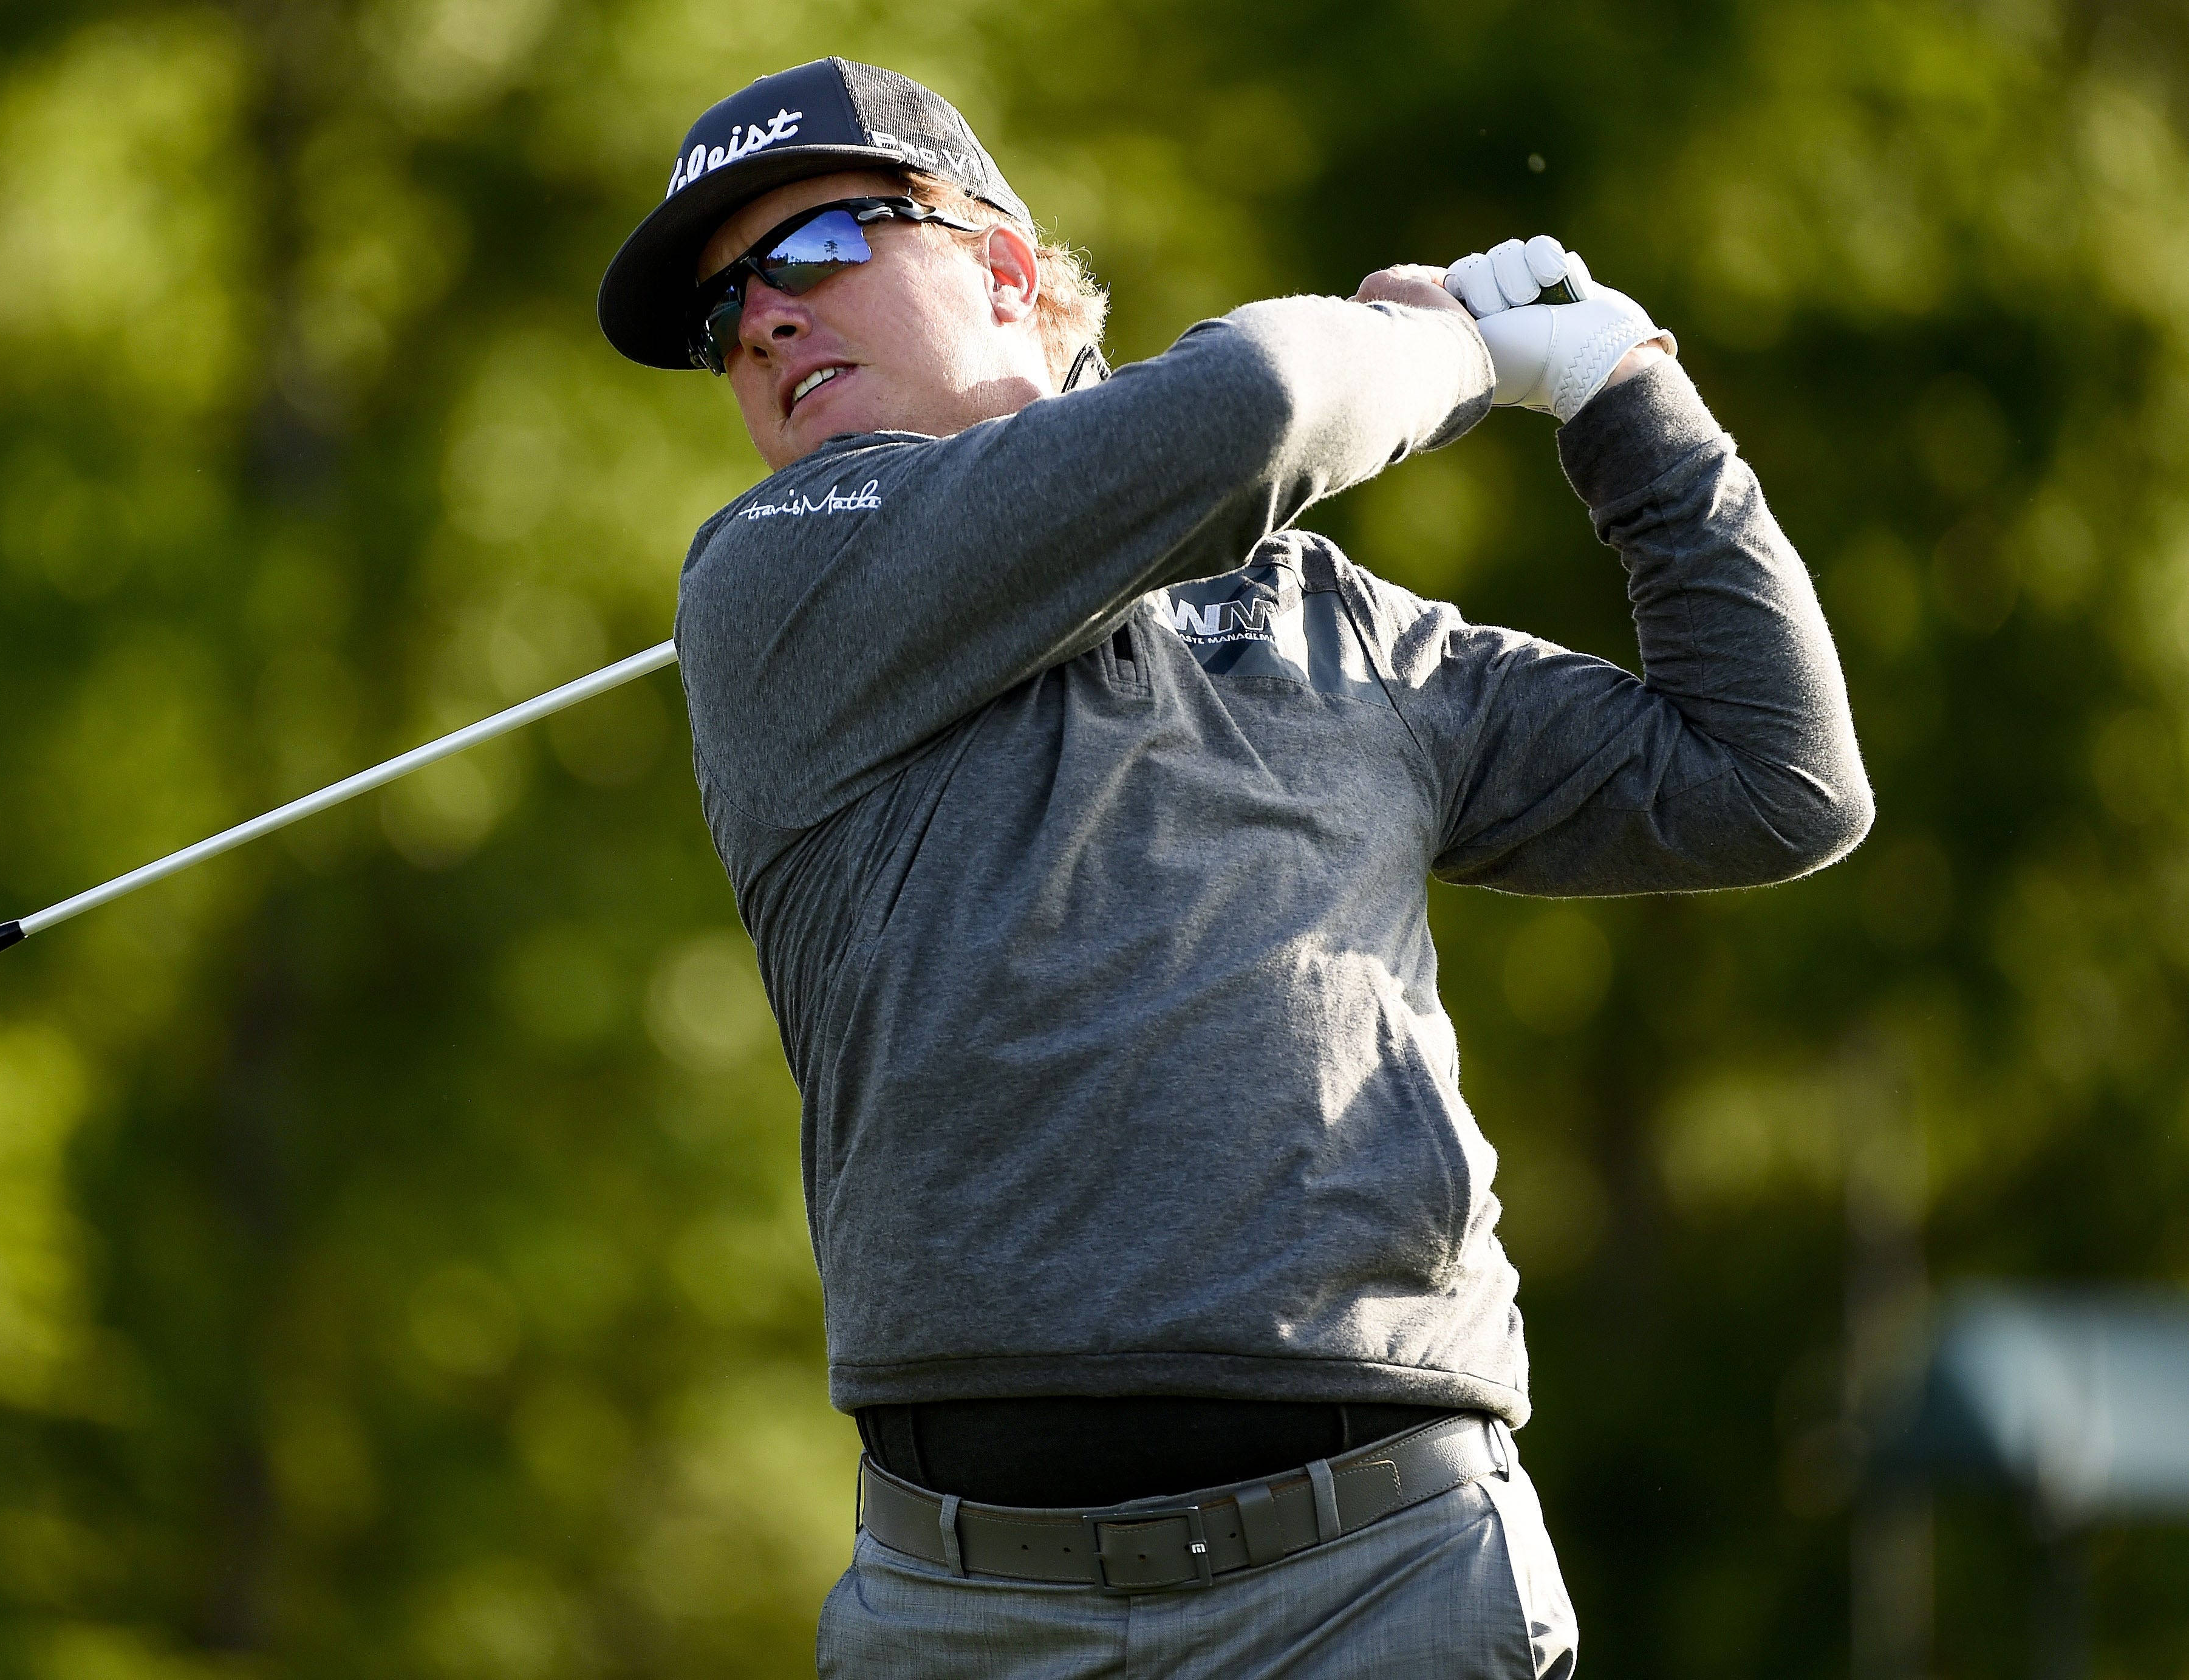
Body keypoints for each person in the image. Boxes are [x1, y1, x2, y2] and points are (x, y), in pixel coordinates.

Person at [596, 58, 1870, 1679]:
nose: (764, 321)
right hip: (978, 1617)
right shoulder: (773, 583)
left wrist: (1624, 394)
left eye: (817, 247)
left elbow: (1772, 781)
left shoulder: (1336, 626)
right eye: (722, 317)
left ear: (1003, 266)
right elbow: (1262, 398)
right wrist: (1456, 351)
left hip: (1384, 1583)